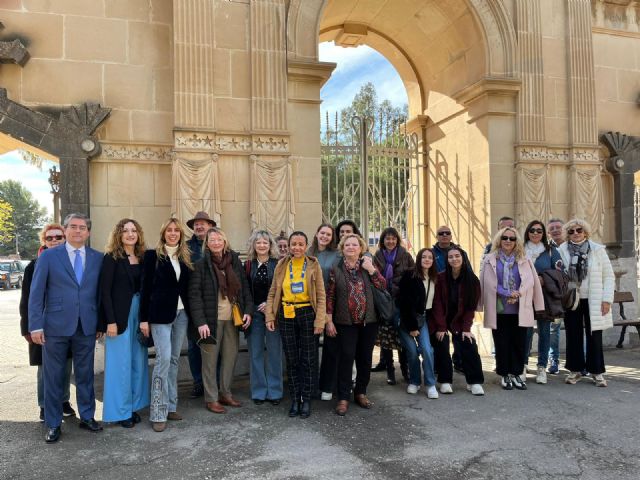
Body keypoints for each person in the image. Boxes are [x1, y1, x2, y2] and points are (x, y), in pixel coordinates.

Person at [29, 213, 104, 443]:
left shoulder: (98, 258)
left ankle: (88, 416)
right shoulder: (50, 257)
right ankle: (53, 423)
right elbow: (36, 293)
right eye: (73, 227)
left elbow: (101, 295)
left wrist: (100, 323)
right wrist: (35, 326)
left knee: (85, 375)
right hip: (55, 326)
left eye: (83, 227)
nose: (78, 231)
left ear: (88, 232)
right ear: (66, 229)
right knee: (53, 376)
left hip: (87, 326)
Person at [189, 227, 253, 414]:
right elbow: (194, 296)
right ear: (206, 244)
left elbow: (245, 290)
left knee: (230, 358)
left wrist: (248, 311)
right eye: (212, 240)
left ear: (225, 242)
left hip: (233, 319)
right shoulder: (200, 265)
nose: (216, 242)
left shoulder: (234, 262)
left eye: (219, 239)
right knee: (209, 362)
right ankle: (211, 398)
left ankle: (225, 393)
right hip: (210, 321)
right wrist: (200, 322)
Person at [139, 218, 192, 432]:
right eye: (169, 230)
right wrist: (144, 319)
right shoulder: (153, 256)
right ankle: (158, 412)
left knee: (174, 360)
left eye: (176, 230)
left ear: (180, 234)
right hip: (159, 316)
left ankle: (171, 405)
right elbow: (145, 288)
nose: (172, 233)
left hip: (181, 315)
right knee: (163, 360)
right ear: (163, 233)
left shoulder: (185, 257)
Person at [266, 231, 326, 418]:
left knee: (308, 359)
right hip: (286, 313)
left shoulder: (314, 265)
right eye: (294, 244)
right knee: (292, 359)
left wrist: (320, 321)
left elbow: (321, 295)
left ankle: (306, 399)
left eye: (301, 244)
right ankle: (295, 398)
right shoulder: (282, 265)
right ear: (289, 246)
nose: (297, 247)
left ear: (306, 245)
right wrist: (269, 316)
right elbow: (273, 292)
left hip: (307, 313)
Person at [19, 223, 75, 422]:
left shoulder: (72, 262)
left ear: (65, 238)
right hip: (41, 324)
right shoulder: (33, 266)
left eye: (58, 237)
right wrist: (27, 327)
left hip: (66, 324)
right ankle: (44, 404)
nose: (54, 241)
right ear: (44, 241)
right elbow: (26, 299)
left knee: (66, 365)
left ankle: (63, 400)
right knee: (45, 368)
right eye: (49, 238)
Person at [326, 233, 386, 415]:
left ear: (361, 248)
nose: (351, 247)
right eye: (347, 245)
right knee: (346, 357)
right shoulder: (336, 269)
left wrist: (372, 270)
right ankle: (343, 397)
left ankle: (361, 392)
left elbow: (383, 286)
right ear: (342, 249)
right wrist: (328, 320)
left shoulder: (367, 265)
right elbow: (330, 296)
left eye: (355, 245)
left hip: (369, 321)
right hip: (346, 322)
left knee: (365, 358)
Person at [99, 218, 150, 428]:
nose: (130, 234)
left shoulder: (144, 257)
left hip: (140, 315)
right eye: (125, 230)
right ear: (118, 234)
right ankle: (120, 411)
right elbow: (104, 292)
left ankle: (133, 406)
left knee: (138, 361)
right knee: (119, 365)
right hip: (119, 316)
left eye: (134, 230)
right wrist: (109, 322)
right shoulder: (111, 258)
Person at [479, 227, 544, 391]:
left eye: (512, 239)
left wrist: (518, 293)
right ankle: (504, 374)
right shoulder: (490, 259)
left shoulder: (524, 258)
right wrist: (507, 292)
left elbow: (530, 280)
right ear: (499, 240)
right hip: (500, 309)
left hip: (520, 307)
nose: (508, 241)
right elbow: (488, 282)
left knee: (519, 343)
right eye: (505, 238)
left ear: (517, 242)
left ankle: (516, 374)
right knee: (502, 343)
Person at [557, 219, 614, 387]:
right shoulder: (561, 250)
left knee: (594, 335)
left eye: (579, 230)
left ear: (585, 232)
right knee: (573, 335)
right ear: (567, 234)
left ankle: (597, 372)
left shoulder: (597, 250)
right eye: (571, 231)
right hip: (572, 298)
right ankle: (575, 371)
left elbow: (609, 276)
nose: (575, 233)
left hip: (594, 298)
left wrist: (607, 299)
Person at [431, 247, 485, 395]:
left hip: (460, 320)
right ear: (447, 260)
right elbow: (437, 304)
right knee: (441, 344)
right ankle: (445, 380)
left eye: (457, 256)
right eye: (451, 257)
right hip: (441, 319)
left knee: (469, 344)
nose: (454, 259)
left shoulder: (472, 280)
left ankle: (474, 382)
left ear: (463, 258)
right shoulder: (440, 278)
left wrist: (467, 328)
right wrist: (441, 327)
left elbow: (470, 307)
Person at [243, 230, 282, 405]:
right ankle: (259, 391)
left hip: (273, 314)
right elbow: (244, 291)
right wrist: (250, 309)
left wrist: (270, 305)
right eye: (258, 242)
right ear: (253, 245)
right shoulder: (248, 265)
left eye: (265, 242)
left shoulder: (278, 264)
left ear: (270, 245)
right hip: (254, 315)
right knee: (255, 353)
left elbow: (283, 290)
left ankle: (275, 391)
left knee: (274, 353)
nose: (262, 245)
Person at [523, 220, 563, 384]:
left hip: (544, 296)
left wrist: (544, 279)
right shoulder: (520, 249)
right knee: (525, 331)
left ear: (543, 233)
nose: (535, 233)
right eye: (532, 230)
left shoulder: (551, 251)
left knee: (544, 331)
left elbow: (561, 273)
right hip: (524, 295)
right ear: (527, 232)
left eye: (539, 231)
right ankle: (523, 364)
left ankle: (541, 367)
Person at [373, 227, 413, 385]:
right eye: (387, 239)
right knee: (386, 336)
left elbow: (412, 276)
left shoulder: (405, 255)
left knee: (401, 335)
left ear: (397, 240)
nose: (390, 241)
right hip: (383, 301)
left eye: (393, 239)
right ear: (383, 240)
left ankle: (405, 369)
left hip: (400, 300)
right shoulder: (377, 255)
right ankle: (390, 371)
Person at [397, 248, 438, 399]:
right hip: (407, 320)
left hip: (423, 318)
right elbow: (404, 302)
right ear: (419, 259)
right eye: (424, 257)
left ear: (433, 261)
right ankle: (414, 381)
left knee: (427, 350)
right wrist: (412, 327)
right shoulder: (410, 275)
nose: (427, 260)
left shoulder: (434, 277)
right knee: (413, 352)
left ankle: (430, 384)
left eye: (430, 257)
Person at [431, 225, 471, 373]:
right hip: (438, 299)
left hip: (457, 299)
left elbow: (468, 273)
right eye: (441, 233)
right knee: (439, 334)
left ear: (451, 235)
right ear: (437, 236)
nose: (444, 235)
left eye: (447, 233)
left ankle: (459, 362)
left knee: (459, 334)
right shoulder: (432, 253)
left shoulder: (461, 253)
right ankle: (439, 365)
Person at [185, 211, 217, 399]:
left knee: (215, 344)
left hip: (214, 302)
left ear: (210, 226)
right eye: (196, 224)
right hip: (193, 301)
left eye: (202, 223)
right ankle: (198, 382)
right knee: (193, 345)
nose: (199, 226)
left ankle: (214, 382)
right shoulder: (187, 247)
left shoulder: (217, 244)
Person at [308, 223, 340, 402]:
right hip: (309, 305)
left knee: (331, 347)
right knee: (310, 348)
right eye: (322, 233)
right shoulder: (307, 253)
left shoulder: (337, 255)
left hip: (330, 306)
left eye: (328, 234)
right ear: (317, 233)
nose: (325, 236)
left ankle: (328, 385)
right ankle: (311, 387)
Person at [546, 217, 565, 374]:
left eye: (558, 227)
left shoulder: (573, 245)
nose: (555, 230)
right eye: (552, 228)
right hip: (555, 294)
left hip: (572, 294)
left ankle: (582, 362)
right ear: (548, 232)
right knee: (553, 328)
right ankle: (553, 360)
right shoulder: (547, 248)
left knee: (579, 328)